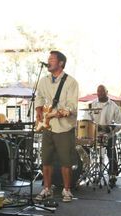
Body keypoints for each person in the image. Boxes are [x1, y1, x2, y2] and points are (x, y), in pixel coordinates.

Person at [35, 51, 78, 203]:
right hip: (47, 126)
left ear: (60, 63)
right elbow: (39, 97)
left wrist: (64, 112)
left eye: (52, 59)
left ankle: (67, 190)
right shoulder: (43, 81)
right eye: (48, 59)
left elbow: (72, 106)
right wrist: (39, 111)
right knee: (46, 160)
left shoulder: (70, 82)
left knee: (65, 161)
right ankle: (47, 188)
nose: (48, 61)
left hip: (64, 127)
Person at [86, 85, 121, 187]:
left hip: (109, 135)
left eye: (102, 92)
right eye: (98, 92)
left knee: (111, 152)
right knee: (85, 149)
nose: (100, 94)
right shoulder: (93, 104)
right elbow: (88, 119)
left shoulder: (114, 106)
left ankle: (112, 175)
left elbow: (119, 123)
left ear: (107, 92)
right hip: (95, 135)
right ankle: (89, 172)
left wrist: (111, 129)